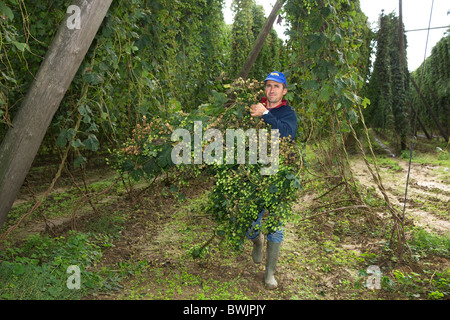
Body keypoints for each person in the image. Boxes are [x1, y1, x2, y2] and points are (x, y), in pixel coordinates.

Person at [248, 71, 297, 289]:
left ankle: (269, 273)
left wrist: (266, 113)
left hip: (278, 176)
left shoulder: (288, 113)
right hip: (253, 174)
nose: (272, 90)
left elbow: (286, 134)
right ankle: (256, 239)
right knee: (249, 220)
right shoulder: (253, 109)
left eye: (276, 86)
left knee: (276, 225)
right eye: (268, 86)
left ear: (284, 91)